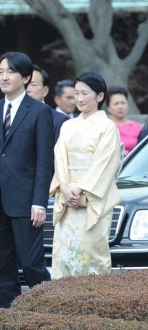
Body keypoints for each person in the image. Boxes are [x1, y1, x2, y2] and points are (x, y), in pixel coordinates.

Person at [0, 52, 53, 308]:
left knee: (31, 263)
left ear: (26, 77)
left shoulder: (40, 112)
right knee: (0, 265)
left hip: (26, 202)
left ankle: (48, 313)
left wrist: (39, 202)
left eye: (10, 72)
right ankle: (10, 316)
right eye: (0, 72)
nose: (4, 77)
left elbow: (44, 162)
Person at [50, 72, 122, 278]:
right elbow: (60, 158)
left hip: (91, 201)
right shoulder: (67, 125)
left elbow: (105, 165)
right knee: (64, 256)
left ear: (100, 97)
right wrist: (64, 186)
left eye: (85, 93)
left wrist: (80, 190)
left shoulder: (108, 127)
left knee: (91, 256)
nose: (79, 99)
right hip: (67, 199)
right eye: (76, 94)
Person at [27, 65, 69, 143]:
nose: (28, 89)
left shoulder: (59, 120)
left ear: (45, 91)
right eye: (25, 85)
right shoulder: (11, 116)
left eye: (33, 85)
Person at [107, 86, 142, 156]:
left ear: (128, 105)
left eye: (123, 103)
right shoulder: (104, 126)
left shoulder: (137, 127)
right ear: (109, 108)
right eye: (116, 104)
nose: (120, 106)